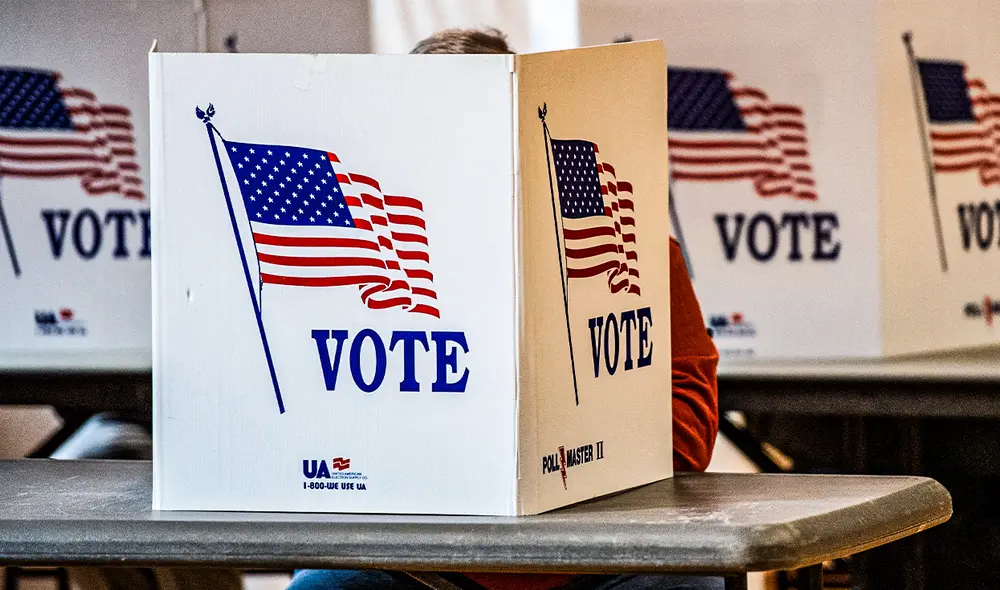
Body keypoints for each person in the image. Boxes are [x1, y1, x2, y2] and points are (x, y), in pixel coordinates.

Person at [288, 27, 721, 590]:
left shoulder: (635, 254)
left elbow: (688, 433)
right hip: (414, 562)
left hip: (598, 557)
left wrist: (575, 444)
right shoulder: (354, 264)